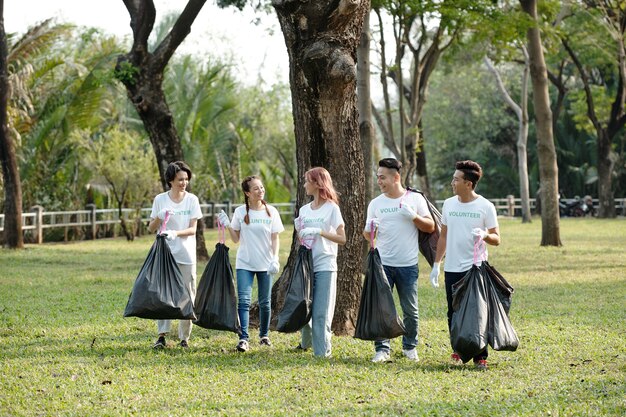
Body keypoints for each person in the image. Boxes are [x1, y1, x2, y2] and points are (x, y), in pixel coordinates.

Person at [363, 158, 435, 363]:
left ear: (396, 177)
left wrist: (413, 216)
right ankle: (382, 349)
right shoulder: (376, 203)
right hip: (383, 264)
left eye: (382, 177)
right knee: (382, 308)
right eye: (377, 177)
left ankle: (410, 346)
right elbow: (367, 235)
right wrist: (370, 229)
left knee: (410, 309)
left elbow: (429, 227)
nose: (379, 181)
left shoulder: (415, 199)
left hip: (408, 265)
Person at [430, 160, 500, 370]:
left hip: (476, 268)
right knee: (454, 311)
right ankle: (459, 350)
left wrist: (485, 234)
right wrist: (436, 264)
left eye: (456, 179)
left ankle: (480, 356)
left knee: (478, 311)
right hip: (452, 267)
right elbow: (443, 236)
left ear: (468, 184)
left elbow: (497, 238)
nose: (452, 182)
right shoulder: (449, 204)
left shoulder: (486, 206)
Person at [218, 176, 285, 352]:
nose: (260, 190)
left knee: (265, 302)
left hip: (266, 264)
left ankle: (264, 335)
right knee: (244, 301)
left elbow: (275, 237)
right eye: (255, 188)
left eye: (261, 187)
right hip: (245, 263)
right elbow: (235, 239)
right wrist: (227, 225)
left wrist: (275, 258)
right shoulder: (240, 212)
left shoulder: (271, 211)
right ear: (247, 193)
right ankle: (243, 338)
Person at [148, 161, 203, 349]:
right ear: (170, 180)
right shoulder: (160, 200)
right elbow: (151, 228)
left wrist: (175, 233)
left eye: (186, 179)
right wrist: (159, 217)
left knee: (188, 293)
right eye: (180, 179)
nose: (184, 183)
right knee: (164, 293)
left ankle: (184, 338)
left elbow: (193, 229)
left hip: (186, 254)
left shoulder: (192, 200)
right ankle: (162, 336)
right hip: (165, 254)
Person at [294, 167, 346, 358]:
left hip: (325, 265)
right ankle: (306, 343)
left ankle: (322, 353)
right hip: (307, 265)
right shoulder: (304, 210)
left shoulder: (332, 208)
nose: (305, 184)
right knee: (303, 307)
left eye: (308, 181)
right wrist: (300, 230)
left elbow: (342, 238)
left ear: (317, 183)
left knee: (321, 312)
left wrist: (320, 232)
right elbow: (303, 238)